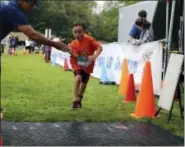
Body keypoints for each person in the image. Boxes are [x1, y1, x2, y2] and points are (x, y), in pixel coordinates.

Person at [0, 0, 69, 119]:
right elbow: (33, 35)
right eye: (31, 4)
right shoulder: (13, 10)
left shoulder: (8, 5)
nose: (31, 8)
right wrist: (53, 43)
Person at [69, 20, 102, 109]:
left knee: (84, 83)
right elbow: (75, 56)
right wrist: (70, 52)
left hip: (87, 64)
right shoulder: (73, 44)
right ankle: (75, 99)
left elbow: (99, 47)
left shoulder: (90, 40)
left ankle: (80, 97)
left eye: (80, 32)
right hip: (76, 63)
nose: (77, 35)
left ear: (84, 31)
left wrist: (94, 56)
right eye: (75, 32)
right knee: (78, 77)